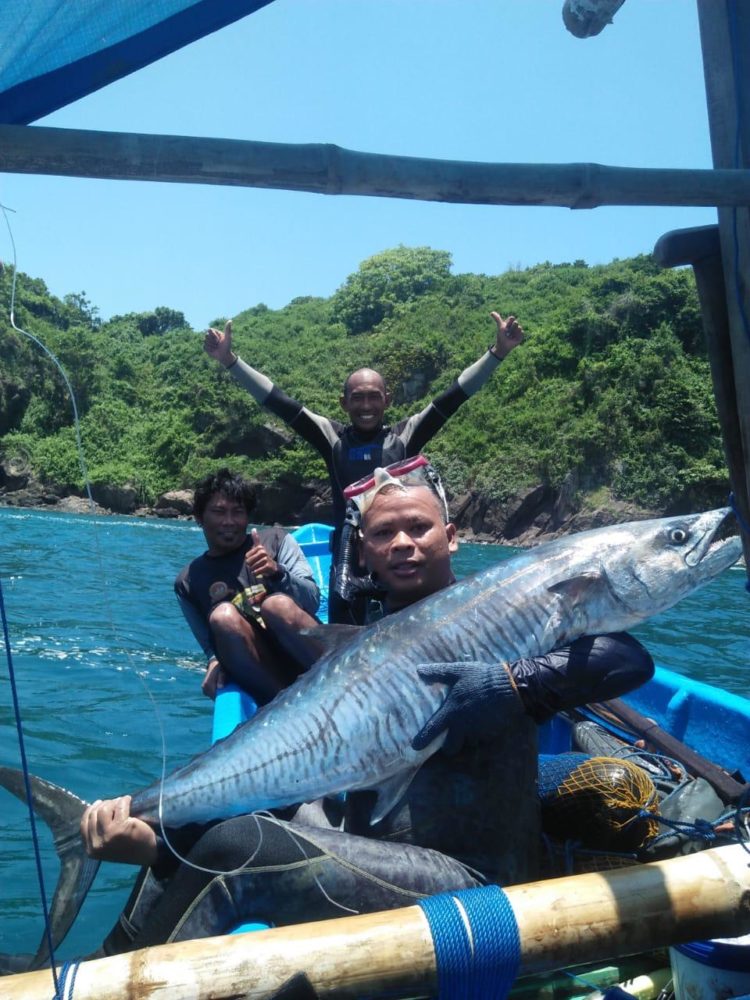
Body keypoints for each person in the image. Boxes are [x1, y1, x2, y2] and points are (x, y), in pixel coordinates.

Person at [79, 461, 654, 958]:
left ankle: (108, 980)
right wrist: (157, 842)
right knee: (216, 830)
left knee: (240, 849)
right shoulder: (365, 644)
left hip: (466, 878)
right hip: (371, 846)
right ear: (363, 550)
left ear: (451, 537)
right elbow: (305, 777)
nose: (403, 543)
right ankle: (95, 962)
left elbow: (626, 659)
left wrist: (512, 683)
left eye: (419, 528)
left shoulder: (509, 617)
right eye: (384, 533)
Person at [203, 310, 525, 623]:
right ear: (344, 403)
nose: (366, 406)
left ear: (387, 400)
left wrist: (498, 352)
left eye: (374, 397)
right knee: (346, 634)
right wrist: (231, 361)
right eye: (357, 398)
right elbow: (277, 400)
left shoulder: (405, 436)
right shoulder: (333, 439)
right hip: (349, 559)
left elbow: (454, 396)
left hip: (396, 554)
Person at [175, 468, 320, 704]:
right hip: (263, 670)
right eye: (219, 512)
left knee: (277, 606)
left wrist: (277, 573)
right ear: (200, 517)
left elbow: (312, 601)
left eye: (238, 512)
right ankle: (284, 705)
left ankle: (348, 681)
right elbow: (209, 645)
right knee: (222, 617)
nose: (229, 522)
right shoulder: (188, 582)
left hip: (308, 651)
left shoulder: (276, 541)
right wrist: (213, 661)